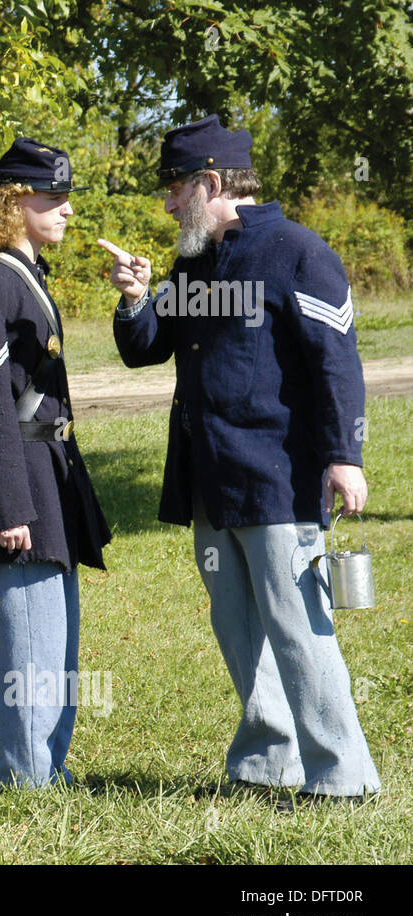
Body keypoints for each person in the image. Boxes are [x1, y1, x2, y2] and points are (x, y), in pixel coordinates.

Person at [99, 114, 380, 802]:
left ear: (212, 182)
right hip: (209, 482)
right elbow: (147, 347)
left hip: (278, 479)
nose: (166, 204)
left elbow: (336, 364)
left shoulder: (298, 252)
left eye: (173, 189)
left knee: (298, 631)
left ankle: (343, 779)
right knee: (239, 631)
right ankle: (265, 763)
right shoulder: (195, 260)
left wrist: (346, 456)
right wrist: (136, 298)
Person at [0, 139, 112, 788]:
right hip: (22, 488)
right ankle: (23, 774)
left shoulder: (23, 277)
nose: (67, 210)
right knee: (32, 641)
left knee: (56, 642)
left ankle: (48, 766)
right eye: (54, 197)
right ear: (14, 202)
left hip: (48, 479)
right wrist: (7, 505)